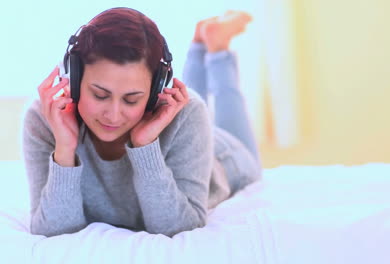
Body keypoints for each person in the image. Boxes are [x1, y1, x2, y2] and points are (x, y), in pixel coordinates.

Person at [22, 7, 262, 238]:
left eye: (132, 99)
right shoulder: (46, 119)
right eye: (100, 95)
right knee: (194, 102)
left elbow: (180, 228)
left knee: (219, 102)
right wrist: (65, 150)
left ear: (154, 91)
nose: (113, 115)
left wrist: (145, 147)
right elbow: (53, 231)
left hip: (224, 157)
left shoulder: (187, 115)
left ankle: (218, 48)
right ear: (74, 79)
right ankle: (200, 43)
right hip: (186, 130)